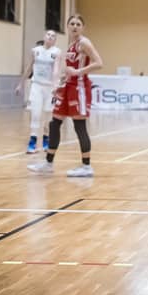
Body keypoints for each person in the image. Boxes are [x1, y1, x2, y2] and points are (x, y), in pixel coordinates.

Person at [27, 14, 103, 177]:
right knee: (54, 123)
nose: (75, 26)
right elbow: (70, 69)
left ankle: (86, 166)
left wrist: (78, 71)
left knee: (79, 126)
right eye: (72, 23)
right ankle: (48, 163)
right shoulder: (71, 45)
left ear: (83, 27)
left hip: (80, 88)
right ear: (67, 26)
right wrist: (62, 80)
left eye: (78, 24)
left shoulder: (84, 42)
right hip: (68, 86)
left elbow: (99, 63)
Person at [16, 30, 61, 154]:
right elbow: (29, 68)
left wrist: (56, 86)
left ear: (55, 40)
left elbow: (56, 70)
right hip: (36, 86)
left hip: (49, 88)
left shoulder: (57, 52)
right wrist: (20, 84)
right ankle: (32, 142)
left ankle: (46, 140)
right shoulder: (35, 51)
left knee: (48, 115)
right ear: (44, 37)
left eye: (53, 36)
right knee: (35, 114)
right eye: (48, 35)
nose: (50, 37)